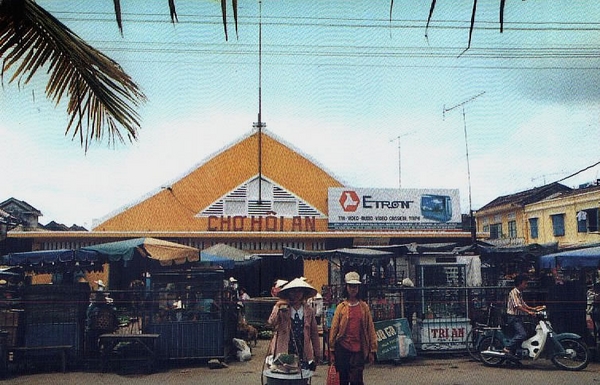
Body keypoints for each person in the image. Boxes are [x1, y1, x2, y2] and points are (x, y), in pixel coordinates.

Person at [329, 271, 378, 385]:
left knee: (357, 379)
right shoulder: (341, 307)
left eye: (355, 286)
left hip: (358, 350)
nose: (353, 289)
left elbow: (370, 328)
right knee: (343, 379)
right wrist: (332, 349)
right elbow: (334, 328)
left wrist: (372, 350)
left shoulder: (364, 307)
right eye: (350, 286)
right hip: (343, 349)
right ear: (346, 287)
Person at [267, 277, 321, 370]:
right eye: (293, 291)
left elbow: (314, 334)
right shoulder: (282, 308)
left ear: (303, 293)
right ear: (288, 293)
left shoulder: (308, 310)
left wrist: (317, 354)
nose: (296, 294)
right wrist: (277, 306)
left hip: (303, 351)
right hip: (284, 351)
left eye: (299, 291)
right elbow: (271, 322)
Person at [504, 274, 544, 358]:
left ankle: (514, 353)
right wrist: (528, 312)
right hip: (513, 317)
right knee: (522, 334)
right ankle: (507, 348)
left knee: (525, 333)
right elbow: (517, 306)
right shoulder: (513, 292)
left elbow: (523, 304)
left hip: (518, 317)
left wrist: (533, 309)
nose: (526, 285)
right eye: (525, 283)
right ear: (520, 283)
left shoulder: (519, 293)